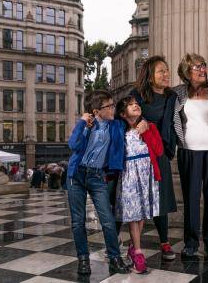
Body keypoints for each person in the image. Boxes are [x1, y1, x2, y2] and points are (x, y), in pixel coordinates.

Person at [67, 89, 130, 275]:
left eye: (112, 104)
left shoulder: (116, 125)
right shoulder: (88, 125)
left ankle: (115, 258)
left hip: (97, 176)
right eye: (109, 106)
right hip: (76, 175)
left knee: (108, 220)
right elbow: (73, 145)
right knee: (78, 221)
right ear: (96, 111)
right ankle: (83, 259)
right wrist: (82, 124)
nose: (113, 108)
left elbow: (132, 120)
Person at [173, 53, 208, 259]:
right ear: (187, 72)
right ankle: (191, 243)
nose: (203, 69)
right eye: (197, 67)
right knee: (191, 199)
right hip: (188, 152)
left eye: (203, 65)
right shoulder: (177, 93)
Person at [129, 56, 178, 260]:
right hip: (140, 151)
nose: (166, 74)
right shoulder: (136, 94)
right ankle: (134, 244)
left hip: (160, 150)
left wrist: (168, 148)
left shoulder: (172, 96)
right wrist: (139, 124)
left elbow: (170, 123)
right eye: (161, 71)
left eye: (167, 71)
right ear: (150, 77)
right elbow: (126, 116)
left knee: (161, 197)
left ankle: (164, 241)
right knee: (137, 196)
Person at [115, 96, 163, 274]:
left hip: (147, 176)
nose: (135, 105)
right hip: (129, 176)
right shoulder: (120, 132)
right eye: (129, 105)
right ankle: (137, 252)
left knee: (142, 213)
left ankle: (132, 247)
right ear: (122, 113)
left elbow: (158, 150)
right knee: (133, 214)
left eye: (136, 103)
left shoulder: (150, 127)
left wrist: (146, 132)